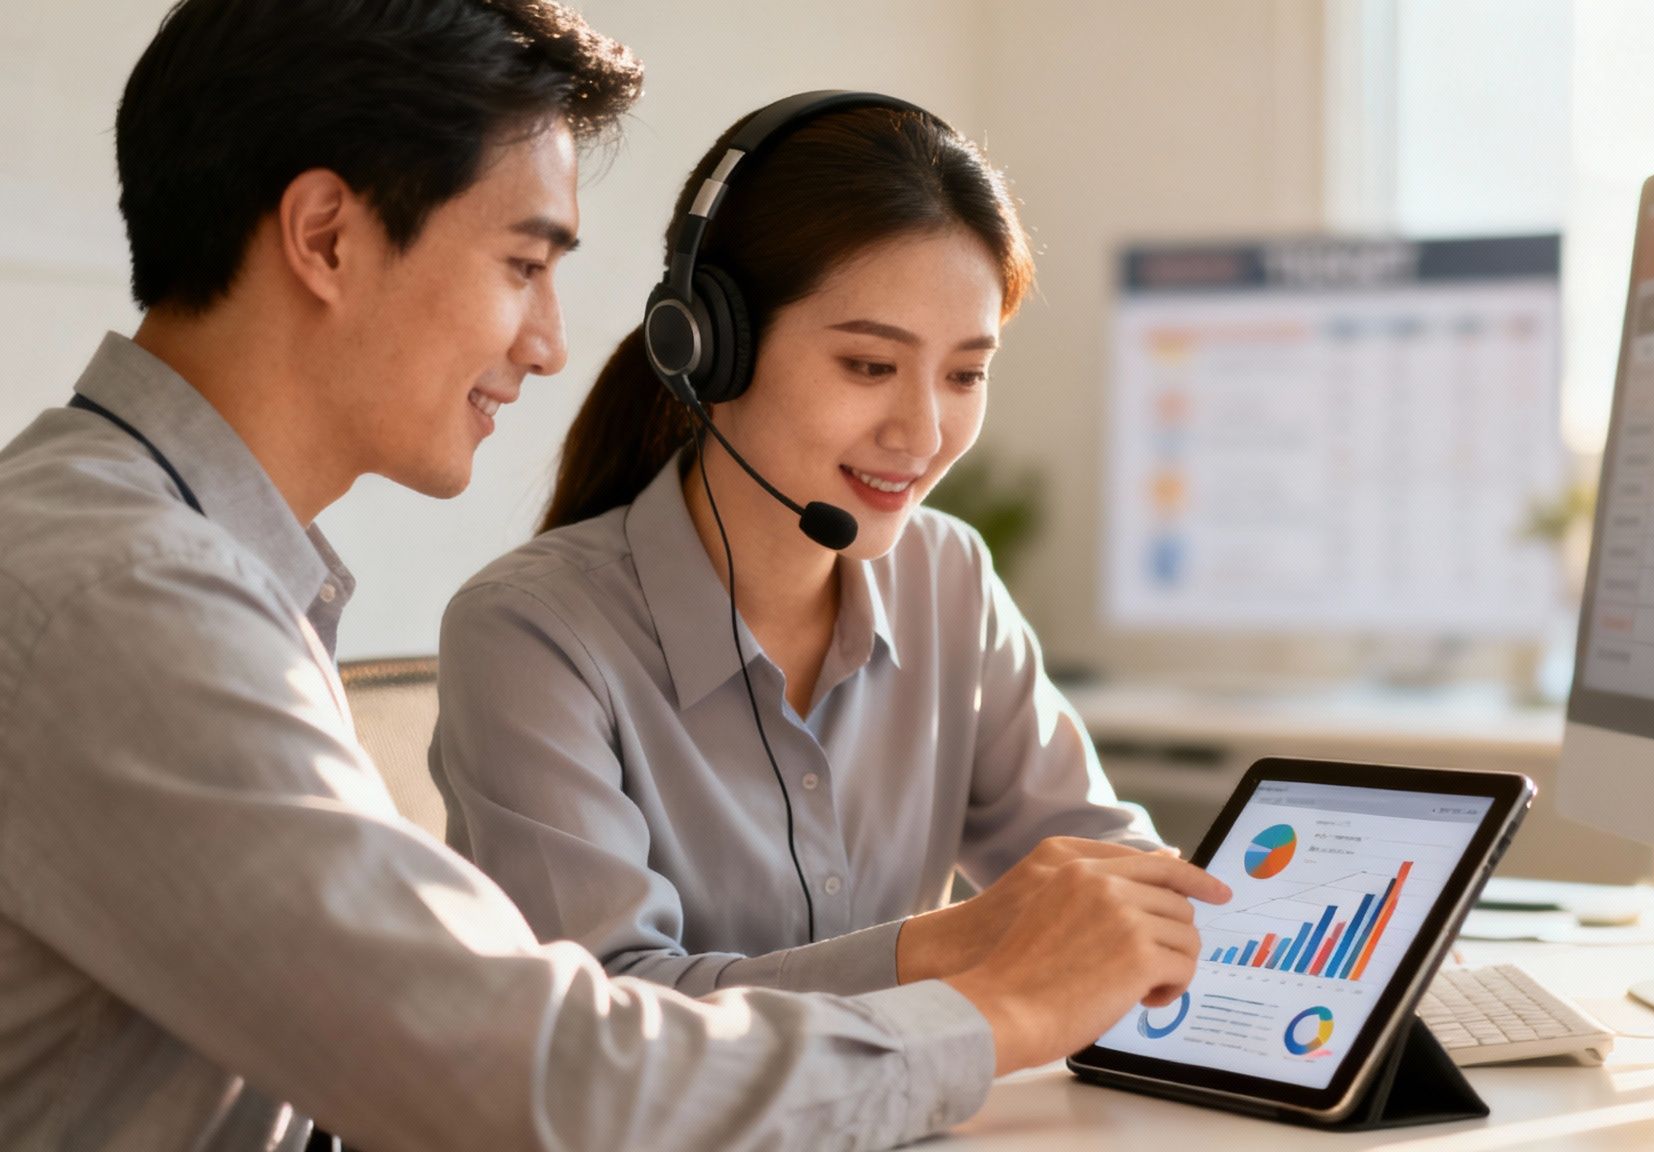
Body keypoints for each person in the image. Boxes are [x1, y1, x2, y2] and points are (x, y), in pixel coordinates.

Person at [0, 3, 1227, 1150]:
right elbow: (533, 1073)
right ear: (325, 238)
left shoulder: (185, 566)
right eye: (523, 266)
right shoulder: (126, 594)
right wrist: (995, 1002)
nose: (547, 346)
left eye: (964, 371)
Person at [428, 94, 1167, 1000]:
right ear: (709, 351)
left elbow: (1099, 861)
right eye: (869, 366)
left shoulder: (949, 577)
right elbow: (610, 1012)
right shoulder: (533, 633)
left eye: (965, 374)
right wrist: (944, 948)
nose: (923, 433)